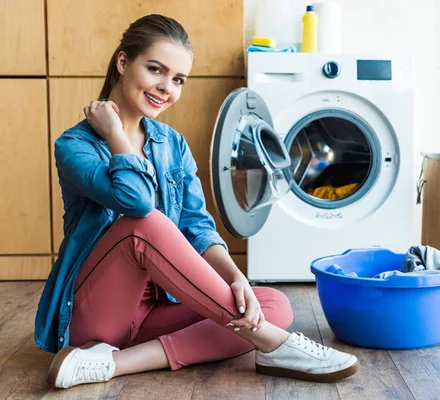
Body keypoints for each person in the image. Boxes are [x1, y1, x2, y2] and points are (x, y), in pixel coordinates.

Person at [34, 14, 358, 389]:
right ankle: (275, 345)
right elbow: (136, 201)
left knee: (270, 305)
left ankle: (111, 364)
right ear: (123, 62)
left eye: (177, 80)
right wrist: (114, 134)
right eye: (156, 70)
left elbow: (198, 228)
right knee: (147, 223)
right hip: (97, 315)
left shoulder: (172, 144)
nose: (165, 88)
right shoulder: (76, 145)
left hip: (158, 309)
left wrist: (237, 280)